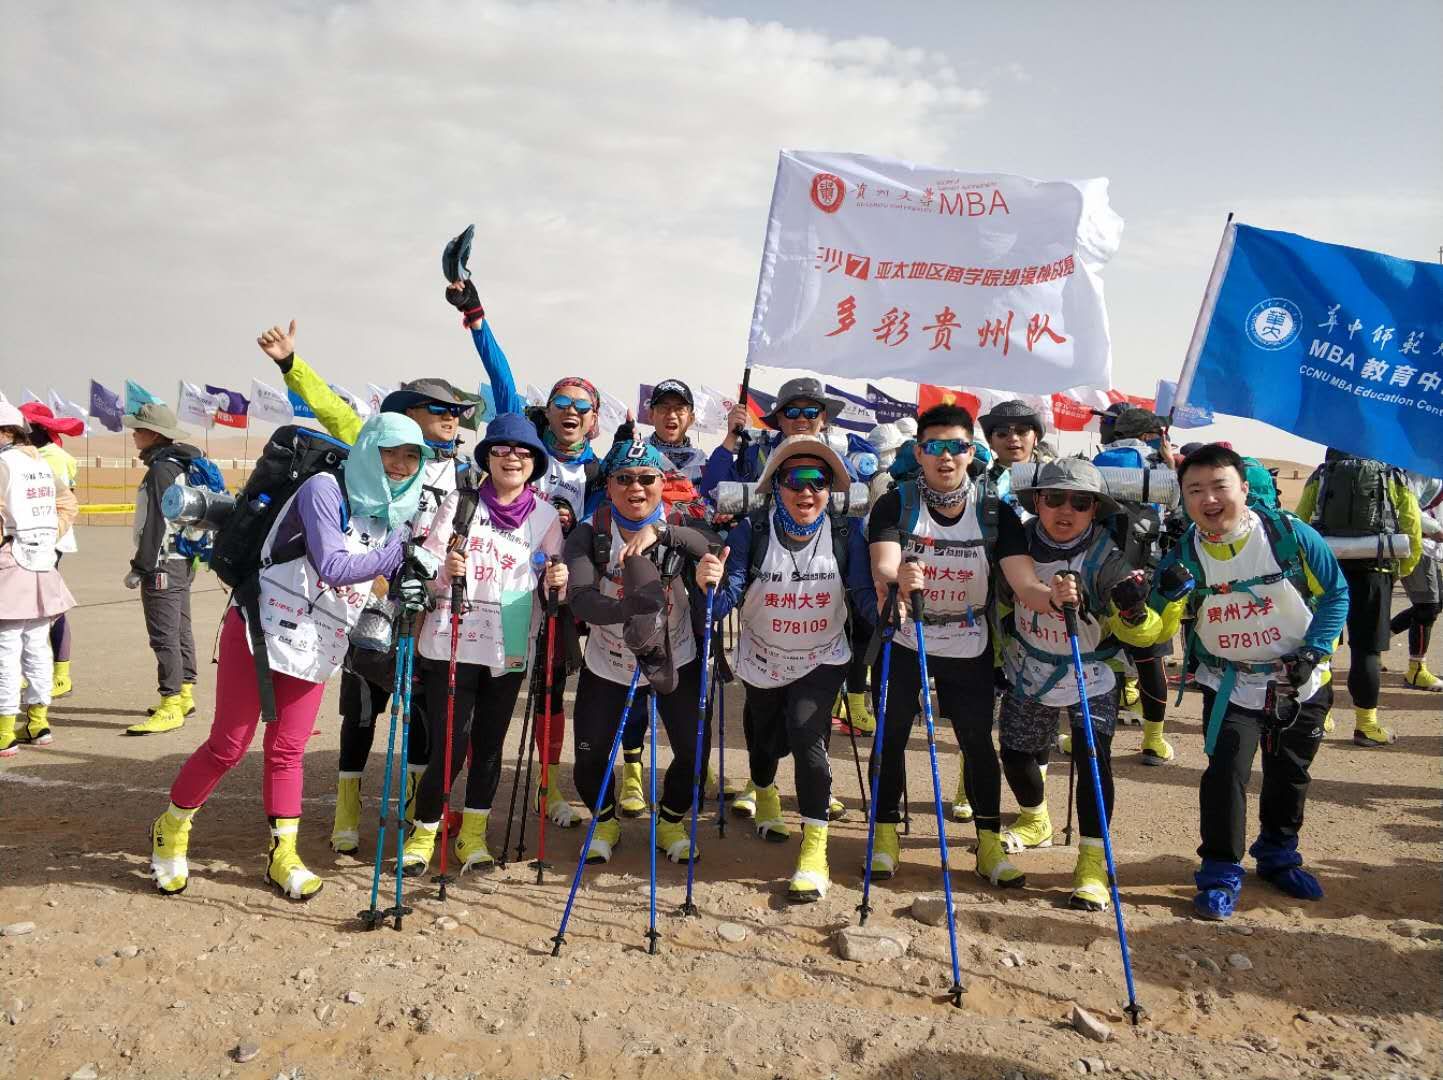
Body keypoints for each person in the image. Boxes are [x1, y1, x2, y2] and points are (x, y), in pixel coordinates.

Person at [149, 413, 433, 899]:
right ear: (368, 450)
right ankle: (170, 830)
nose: (401, 465)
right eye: (391, 452)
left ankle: (283, 855)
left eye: (412, 456)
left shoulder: (396, 512)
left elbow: (375, 581)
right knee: (228, 746)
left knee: (288, 750)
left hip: (319, 638)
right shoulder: (325, 488)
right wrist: (400, 555)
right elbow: (334, 565)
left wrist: (406, 584)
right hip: (261, 626)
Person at [255, 320, 486, 850]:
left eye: (456, 411)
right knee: (361, 706)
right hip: (366, 599)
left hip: (426, 605)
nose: (451, 418)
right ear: (406, 415)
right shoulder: (372, 442)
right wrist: (290, 363)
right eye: (438, 409)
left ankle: (413, 810)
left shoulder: (465, 474)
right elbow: (329, 407)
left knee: (424, 708)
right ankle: (346, 814)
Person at [1158, 444, 1347, 919]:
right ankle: (1220, 870)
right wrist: (1140, 603)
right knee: (1226, 774)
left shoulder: (1290, 536)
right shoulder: (1184, 554)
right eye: (1194, 490)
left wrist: (1313, 651)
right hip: (1230, 682)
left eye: (1219, 486)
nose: (1208, 499)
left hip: (1299, 681)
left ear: (1243, 488)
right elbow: (1153, 618)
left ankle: (1278, 854)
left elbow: (1336, 594)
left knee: (1290, 772)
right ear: (1183, 497)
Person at [995, 458, 1180, 910]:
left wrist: (1135, 611)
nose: (1066, 510)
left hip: (1091, 672)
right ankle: (1035, 820)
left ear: (1095, 509)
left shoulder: (1108, 558)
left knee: (1092, 760)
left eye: (1080, 502)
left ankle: (1092, 863)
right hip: (1030, 666)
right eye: (1054, 498)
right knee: (1015, 753)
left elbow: (1144, 634)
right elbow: (1001, 598)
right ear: (1037, 501)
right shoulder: (1016, 542)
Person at [695, 435, 867, 900]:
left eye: (819, 480)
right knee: (764, 738)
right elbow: (726, 599)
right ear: (776, 486)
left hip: (821, 656)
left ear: (830, 489)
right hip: (763, 658)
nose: (807, 491)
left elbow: (862, 596)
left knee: (807, 735)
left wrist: (894, 608)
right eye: (795, 480)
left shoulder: (847, 533)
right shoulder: (751, 532)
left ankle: (814, 851)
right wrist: (709, 587)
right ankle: (766, 792)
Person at [399, 413, 568, 875]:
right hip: (452, 640)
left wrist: (558, 579)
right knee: (450, 746)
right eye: (501, 449)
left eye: (523, 451)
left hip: (508, 641)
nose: (512, 458)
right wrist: (443, 572)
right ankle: (424, 832)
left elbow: (551, 585)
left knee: (490, 745)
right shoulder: (460, 503)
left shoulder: (546, 516)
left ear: (535, 462)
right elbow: (426, 570)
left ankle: (472, 835)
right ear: (487, 457)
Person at [864, 403, 1020, 886]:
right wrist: (898, 577)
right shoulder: (896, 503)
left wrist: (1051, 595)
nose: (945, 456)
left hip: (968, 639)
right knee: (890, 736)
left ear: (971, 452)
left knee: (976, 741)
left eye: (956, 446)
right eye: (934, 446)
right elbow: (883, 563)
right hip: (906, 636)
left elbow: (1022, 578)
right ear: (919, 452)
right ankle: (884, 835)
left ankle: (989, 843)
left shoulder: (994, 511)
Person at [563, 440, 718, 864]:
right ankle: (604, 821)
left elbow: (710, 547)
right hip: (609, 660)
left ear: (662, 482)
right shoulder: (590, 531)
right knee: (590, 755)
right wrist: (633, 610)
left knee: (693, 752)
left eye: (647, 478)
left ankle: (670, 822)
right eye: (624, 479)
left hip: (675, 656)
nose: (636, 487)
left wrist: (662, 533)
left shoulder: (681, 520)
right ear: (609, 487)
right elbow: (580, 599)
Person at [1295, 449, 1421, 745]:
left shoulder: (1322, 473)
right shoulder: (1392, 474)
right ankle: (1366, 725)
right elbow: (1412, 525)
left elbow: (1300, 520)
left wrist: (1307, 567)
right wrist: (1402, 568)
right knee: (1367, 651)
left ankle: (1322, 714)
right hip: (1375, 568)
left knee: (1324, 645)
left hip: (1327, 568)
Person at [1094, 407, 1179, 765]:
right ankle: (1153, 742)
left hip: (1100, 572)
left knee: (1104, 659)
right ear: (1150, 436)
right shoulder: (1157, 467)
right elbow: (1176, 511)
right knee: (1150, 659)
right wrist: (1171, 463)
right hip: (1147, 574)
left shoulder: (1099, 463)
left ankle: (1098, 740)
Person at [121, 404, 206, 736]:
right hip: (182, 560)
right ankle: (184, 694)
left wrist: (140, 566)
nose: (133, 434)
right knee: (180, 628)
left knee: (163, 634)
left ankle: (170, 704)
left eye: (138, 429)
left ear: (154, 434)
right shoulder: (180, 464)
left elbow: (157, 522)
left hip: (162, 563)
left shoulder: (160, 470)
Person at [0, 404, 77, 755]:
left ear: (6, 431)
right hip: (42, 562)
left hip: (11, 564)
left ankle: (4, 731)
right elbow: (68, 505)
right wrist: (47, 535)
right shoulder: (40, 464)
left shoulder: (5, 464)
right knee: (35, 646)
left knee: (7, 649)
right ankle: (38, 722)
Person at [17, 403, 84, 698]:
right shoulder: (32, 456)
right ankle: (27, 670)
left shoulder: (53, 458)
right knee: (27, 606)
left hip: (48, 541)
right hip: (31, 541)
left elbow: (55, 503)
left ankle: (60, 674)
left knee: (49, 607)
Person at [1389, 472, 1442, 691]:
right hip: (1416, 545)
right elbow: (1406, 507)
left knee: (1436, 603)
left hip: (1430, 548)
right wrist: (1436, 530)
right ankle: (1416, 670)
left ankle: (1376, 640)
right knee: (1427, 607)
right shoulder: (1422, 470)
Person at [978, 398, 1052, 504]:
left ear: (1035, 438)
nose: (1013, 438)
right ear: (990, 441)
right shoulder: (977, 485)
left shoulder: (1054, 480)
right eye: (1002, 432)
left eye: (1022, 430)